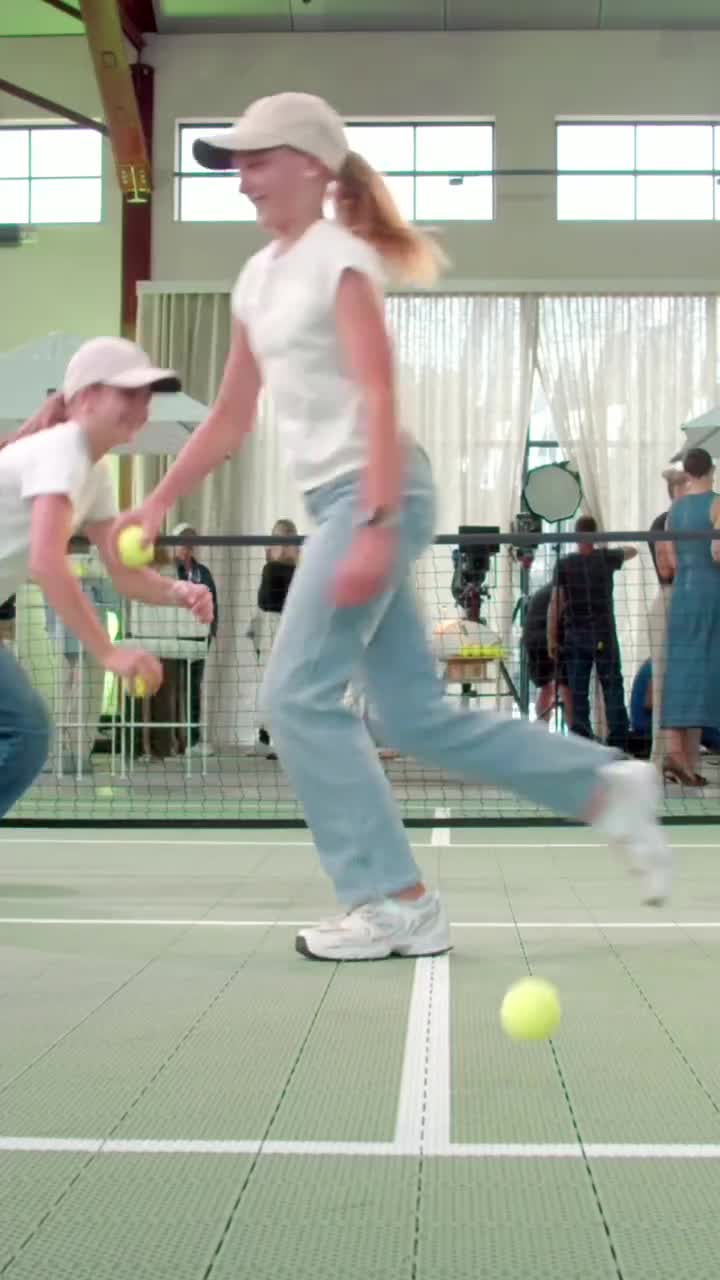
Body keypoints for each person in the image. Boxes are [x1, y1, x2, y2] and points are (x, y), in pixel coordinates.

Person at [113, 92, 671, 961]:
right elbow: (230, 416)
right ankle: (607, 784)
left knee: (294, 698)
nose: (242, 179)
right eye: (236, 164)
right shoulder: (257, 279)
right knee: (413, 716)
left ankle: (396, 900)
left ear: (311, 164)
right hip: (344, 504)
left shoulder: (340, 261)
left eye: (258, 160)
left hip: (376, 493)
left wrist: (374, 523)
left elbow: (378, 391)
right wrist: (156, 500)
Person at [0, 336, 213, 821]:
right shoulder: (62, 450)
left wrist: (178, 590)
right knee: (26, 732)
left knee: (27, 732)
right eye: (128, 393)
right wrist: (110, 653)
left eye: (146, 396)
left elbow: (125, 575)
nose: (142, 407)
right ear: (87, 398)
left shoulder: (93, 474)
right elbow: (47, 561)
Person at [549, 516, 635, 751]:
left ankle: (581, 742)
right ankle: (618, 741)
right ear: (595, 536)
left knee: (578, 691)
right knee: (612, 687)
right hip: (603, 633)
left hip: (575, 635)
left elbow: (555, 603)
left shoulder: (564, 564)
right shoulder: (606, 558)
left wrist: (551, 637)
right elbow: (632, 550)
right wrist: (609, 548)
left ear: (576, 536)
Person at [661, 447, 720, 786]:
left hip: (683, 592)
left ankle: (676, 754)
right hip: (711, 591)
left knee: (680, 667)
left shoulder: (675, 510)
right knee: (711, 664)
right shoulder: (717, 504)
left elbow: (671, 561)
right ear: (711, 470)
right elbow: (718, 551)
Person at [648, 468, 688, 771]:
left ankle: (687, 760)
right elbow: (668, 569)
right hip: (671, 600)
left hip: (694, 602)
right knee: (664, 682)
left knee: (693, 684)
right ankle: (663, 756)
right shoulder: (664, 523)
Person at [250, 517, 299, 755]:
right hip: (273, 630)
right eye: (279, 541)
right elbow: (265, 603)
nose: (284, 547)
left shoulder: (294, 571)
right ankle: (266, 738)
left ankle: (281, 738)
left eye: (288, 541)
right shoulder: (271, 569)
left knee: (284, 685)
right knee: (270, 684)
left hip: (289, 631)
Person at [172, 522, 219, 753]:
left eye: (191, 541)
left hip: (197, 637)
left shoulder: (203, 573)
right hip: (171, 637)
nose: (187, 546)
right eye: (182, 541)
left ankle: (192, 739)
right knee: (169, 688)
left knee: (192, 688)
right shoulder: (167, 570)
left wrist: (212, 631)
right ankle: (169, 741)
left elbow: (213, 603)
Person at [521, 581, 572, 726]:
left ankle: (541, 731)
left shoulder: (543, 591)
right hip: (549, 640)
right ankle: (574, 733)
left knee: (546, 688)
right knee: (566, 688)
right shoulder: (566, 589)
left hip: (532, 641)